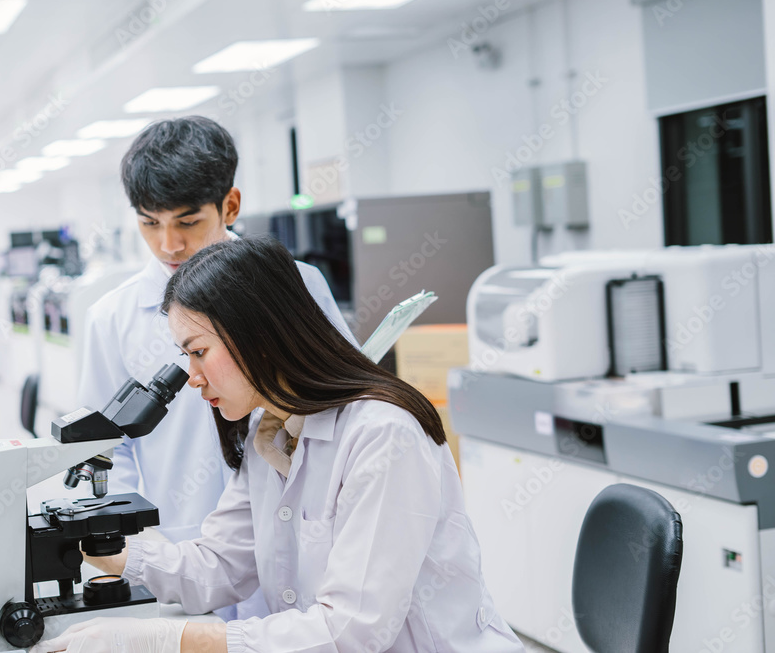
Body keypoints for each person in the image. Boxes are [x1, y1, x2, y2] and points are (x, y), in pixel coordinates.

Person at [43, 237, 525, 653]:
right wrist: (95, 545)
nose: (192, 378)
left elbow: (349, 631)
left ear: (257, 335)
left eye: (198, 352)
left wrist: (166, 641)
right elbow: (220, 566)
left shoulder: (382, 435)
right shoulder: (270, 434)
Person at [78, 117, 355, 544]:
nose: (168, 244)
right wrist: (135, 547)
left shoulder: (297, 285)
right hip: (184, 540)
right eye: (150, 223)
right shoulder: (112, 317)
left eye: (187, 222)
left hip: (302, 532)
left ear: (230, 205)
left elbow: (342, 400)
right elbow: (105, 448)